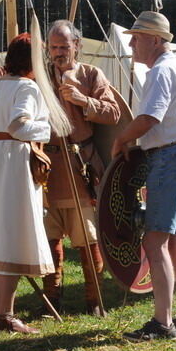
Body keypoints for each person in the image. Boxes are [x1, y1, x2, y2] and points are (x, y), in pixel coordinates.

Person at [0, 33, 72, 334]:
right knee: (10, 236)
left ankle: (1, 314)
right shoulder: (26, 86)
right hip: (13, 163)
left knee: (0, 235)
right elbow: (18, 124)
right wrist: (45, 129)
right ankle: (7, 315)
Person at [113, 11, 176, 341]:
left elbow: (150, 117)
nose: (132, 45)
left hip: (170, 158)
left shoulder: (162, 71)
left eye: (136, 38)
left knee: (155, 241)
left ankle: (163, 322)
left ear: (154, 40)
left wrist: (122, 139)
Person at [40, 20, 120, 315]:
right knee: (49, 234)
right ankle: (52, 300)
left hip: (79, 167)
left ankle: (94, 299)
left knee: (87, 236)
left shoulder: (90, 74)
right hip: (46, 168)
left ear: (77, 45)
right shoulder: (40, 75)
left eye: (64, 46)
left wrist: (82, 100)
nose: (58, 52)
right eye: (53, 47)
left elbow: (113, 113)